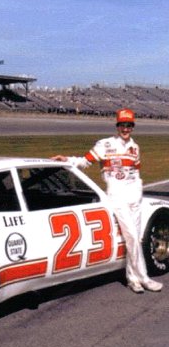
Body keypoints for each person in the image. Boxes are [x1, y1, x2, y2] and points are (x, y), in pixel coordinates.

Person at [51, 108, 163, 294]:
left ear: (132, 127)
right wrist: (66, 159)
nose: (125, 129)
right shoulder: (105, 144)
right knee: (133, 238)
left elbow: (136, 172)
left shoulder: (135, 148)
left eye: (129, 125)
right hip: (117, 195)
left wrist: (137, 190)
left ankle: (133, 279)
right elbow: (85, 161)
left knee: (135, 238)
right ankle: (144, 277)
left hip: (134, 194)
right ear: (117, 126)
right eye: (122, 125)